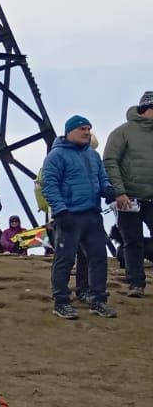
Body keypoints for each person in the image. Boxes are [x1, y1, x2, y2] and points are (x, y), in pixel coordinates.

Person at [42, 115, 117, 319]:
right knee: (65, 260)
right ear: (70, 131)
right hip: (69, 216)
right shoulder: (56, 156)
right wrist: (61, 210)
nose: (87, 132)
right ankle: (61, 301)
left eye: (89, 128)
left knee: (98, 258)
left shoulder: (93, 155)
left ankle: (98, 300)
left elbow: (102, 178)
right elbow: (48, 185)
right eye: (82, 128)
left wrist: (109, 190)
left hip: (93, 215)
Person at [103, 91, 153, 297]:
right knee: (132, 241)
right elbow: (110, 161)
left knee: (133, 241)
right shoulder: (122, 132)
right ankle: (136, 284)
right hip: (128, 198)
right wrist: (119, 192)